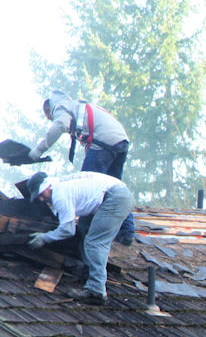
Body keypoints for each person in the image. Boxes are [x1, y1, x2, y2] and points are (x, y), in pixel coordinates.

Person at [28, 90, 135, 245]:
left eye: (49, 117)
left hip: (104, 142)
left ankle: (85, 234)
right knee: (116, 189)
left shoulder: (61, 107)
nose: (51, 119)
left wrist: (39, 149)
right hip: (120, 141)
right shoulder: (75, 106)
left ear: (48, 110)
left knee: (87, 183)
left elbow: (59, 125)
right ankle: (127, 233)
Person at [25, 171, 134, 306]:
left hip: (115, 198)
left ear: (48, 186)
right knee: (84, 229)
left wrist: (45, 237)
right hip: (112, 195)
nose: (41, 199)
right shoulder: (59, 186)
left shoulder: (60, 194)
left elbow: (68, 230)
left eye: (42, 194)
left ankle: (96, 292)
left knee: (95, 242)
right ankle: (90, 274)